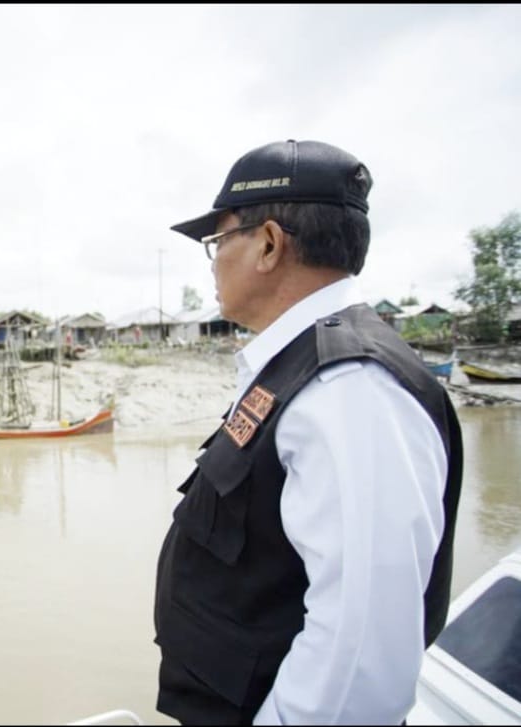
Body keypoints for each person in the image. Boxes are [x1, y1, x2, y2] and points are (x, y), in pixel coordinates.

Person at [153, 139, 463, 725]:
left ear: (268, 244)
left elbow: (358, 657)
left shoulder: (352, 389)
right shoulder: (298, 366)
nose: (213, 261)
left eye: (217, 242)